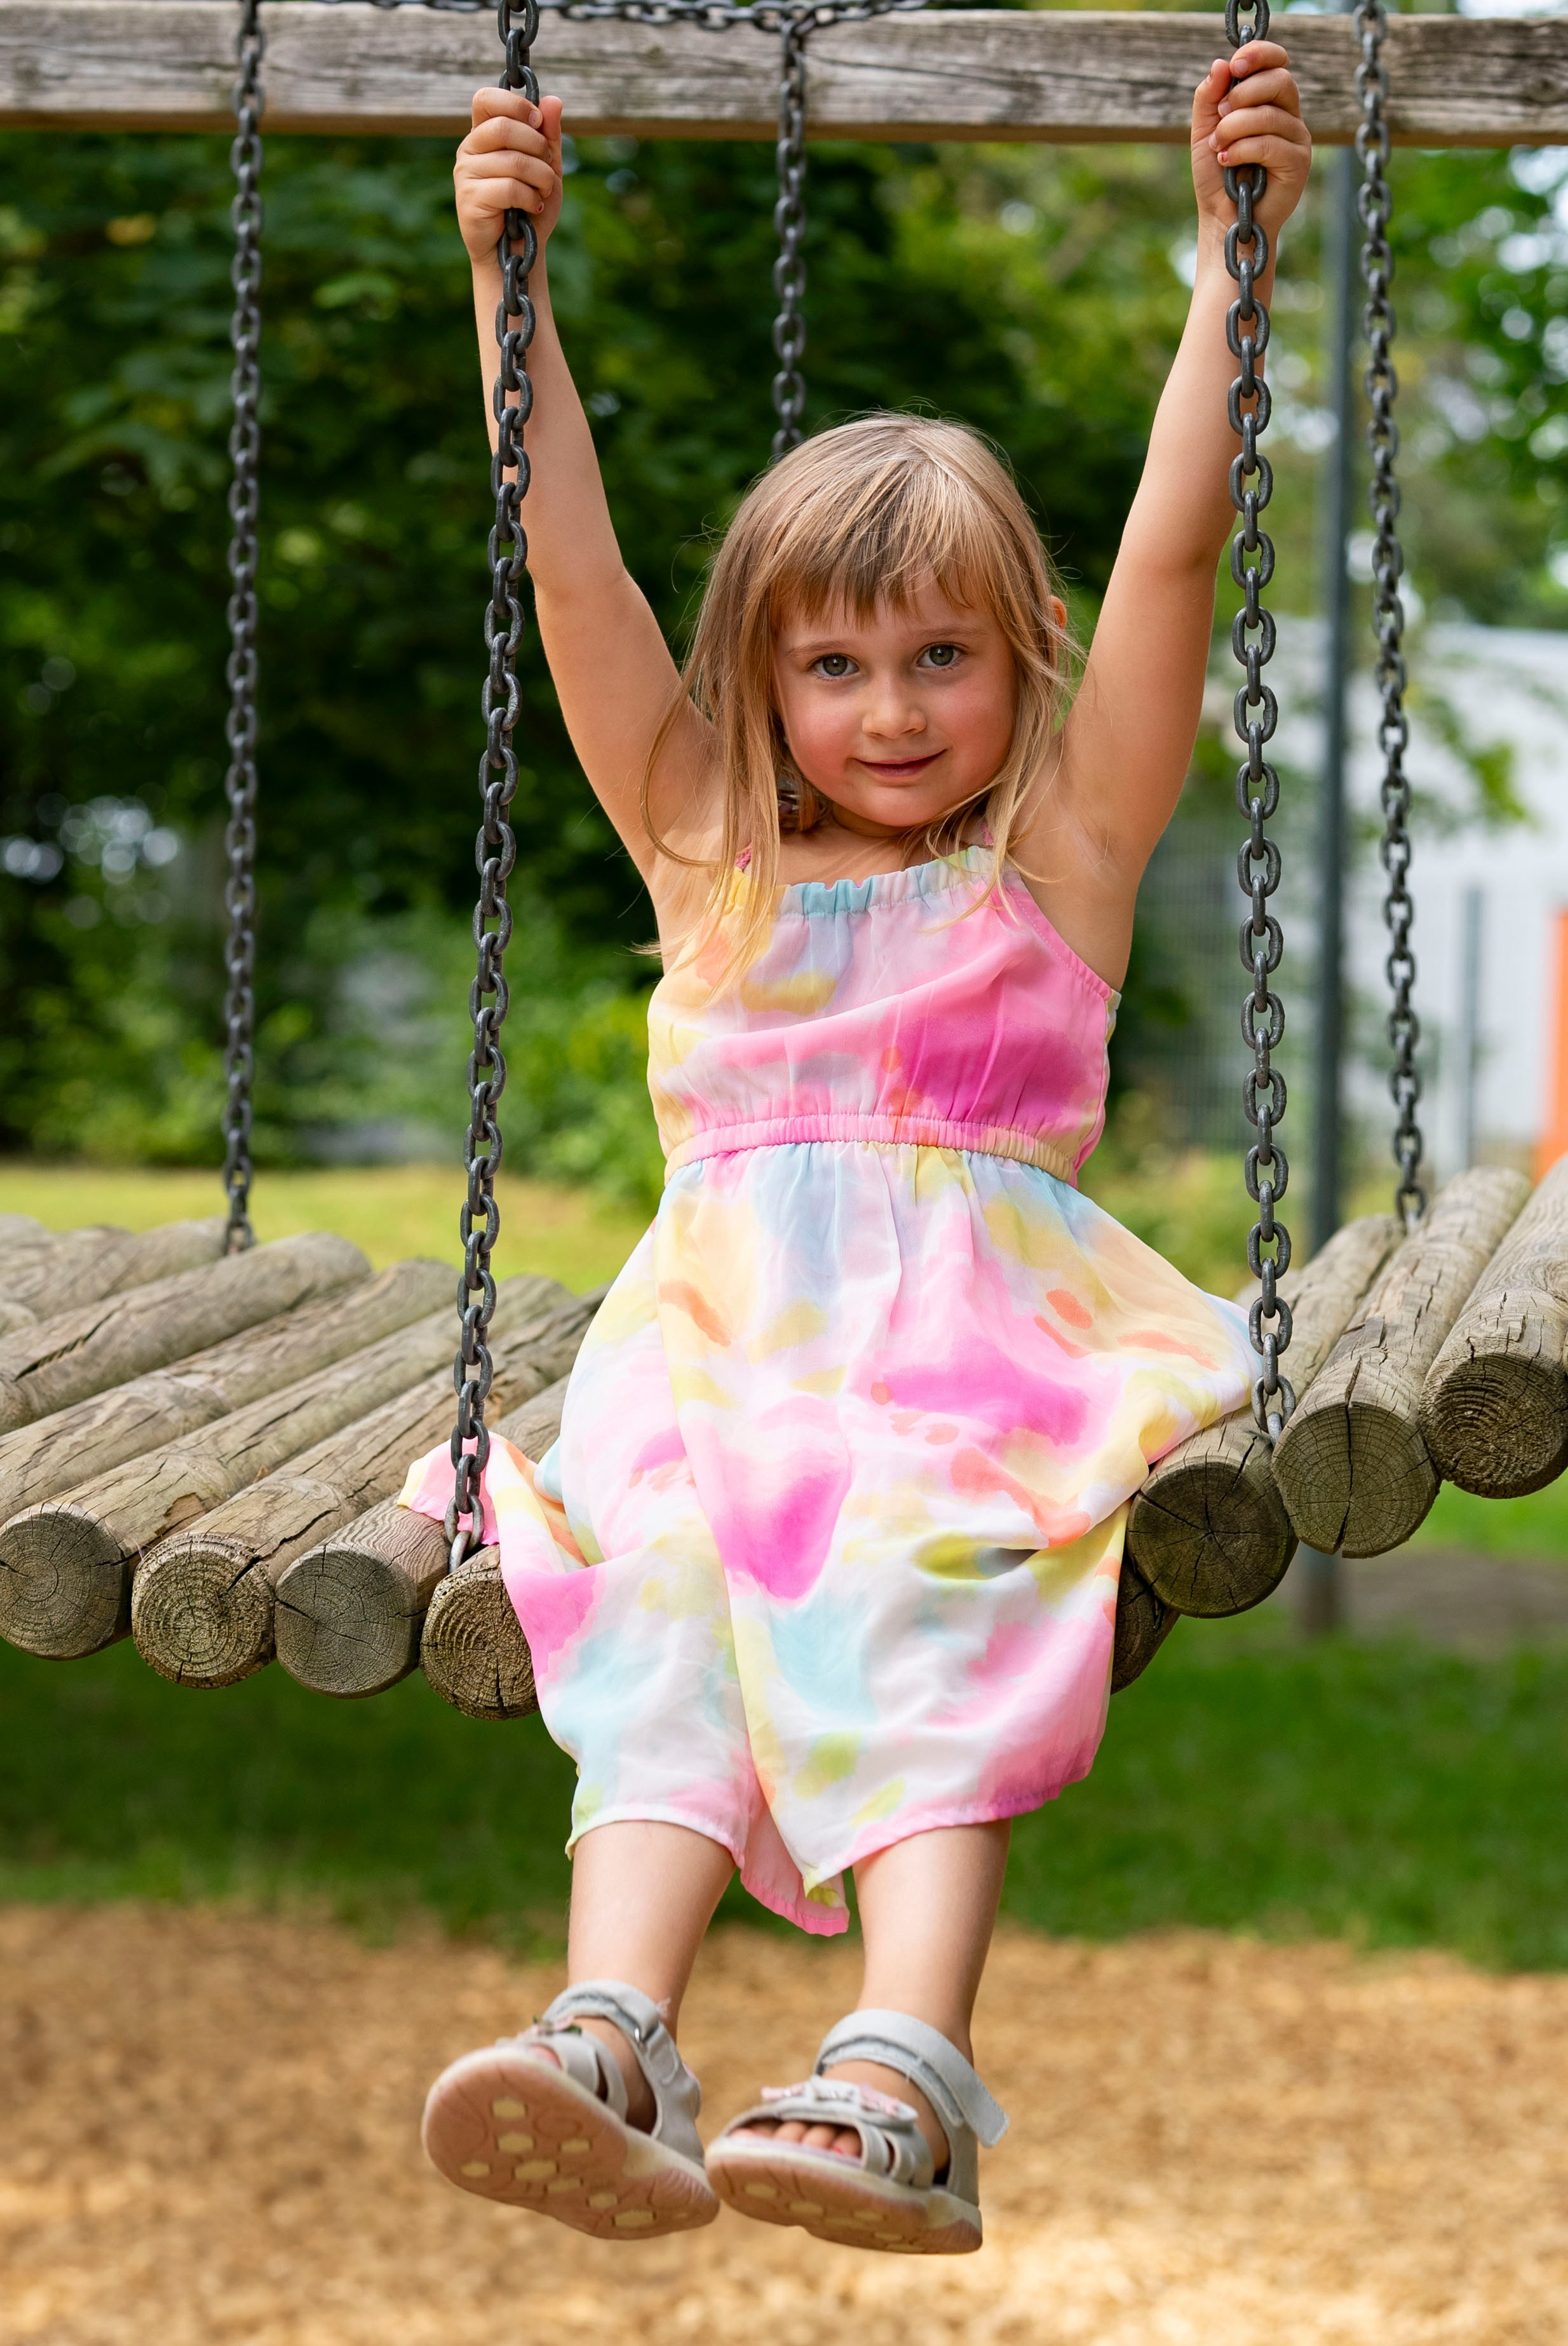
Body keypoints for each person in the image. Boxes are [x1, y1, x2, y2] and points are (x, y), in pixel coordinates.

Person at [409, 41, 1312, 2257]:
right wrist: (501, 291)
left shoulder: (1065, 849)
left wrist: (1230, 274)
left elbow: (1173, 552)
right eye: (832, 664)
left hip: (974, 1346)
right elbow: (575, 579)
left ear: (1014, 665)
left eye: (937, 658)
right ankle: (612, 2025)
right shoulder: (706, 843)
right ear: (764, 676)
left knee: (916, 1563)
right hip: (718, 1353)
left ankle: (907, 2069)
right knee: (664, 1579)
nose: (890, 708)